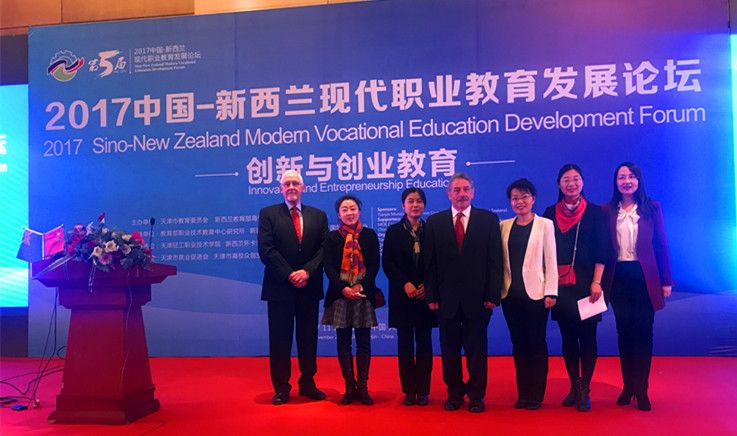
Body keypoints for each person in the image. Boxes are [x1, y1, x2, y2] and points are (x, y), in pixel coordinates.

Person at [424, 172, 503, 413]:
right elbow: (430, 264)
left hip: (478, 300)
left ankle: (477, 395)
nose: (462, 194)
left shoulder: (488, 220)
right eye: (456, 190)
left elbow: (495, 261)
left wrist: (492, 295)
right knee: (449, 351)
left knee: (476, 351)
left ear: (473, 192)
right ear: (448, 194)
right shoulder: (435, 222)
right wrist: (431, 296)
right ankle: (455, 393)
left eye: (466, 189)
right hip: (445, 300)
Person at [602, 162, 673, 411]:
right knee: (624, 333)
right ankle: (628, 386)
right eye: (622, 177)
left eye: (631, 176)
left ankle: (642, 390)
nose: (627, 181)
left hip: (645, 278)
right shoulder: (606, 210)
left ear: (639, 180)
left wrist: (666, 280)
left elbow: (661, 244)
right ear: (616, 182)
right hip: (618, 277)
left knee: (644, 334)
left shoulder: (652, 208)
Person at [258, 170, 329, 405]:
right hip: (280, 287)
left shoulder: (318, 216)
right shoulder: (268, 214)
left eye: (295, 183)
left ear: (303, 188)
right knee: (280, 339)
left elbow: (324, 249)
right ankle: (281, 387)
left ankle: (308, 383)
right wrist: (290, 274)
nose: (291, 187)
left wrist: (306, 271)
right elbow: (266, 249)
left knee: (308, 339)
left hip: (309, 286)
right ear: (281, 189)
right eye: (287, 184)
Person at [543, 164, 607, 412]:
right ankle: (574, 385)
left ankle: (585, 388)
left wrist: (596, 282)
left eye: (576, 179)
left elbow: (602, 249)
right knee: (568, 338)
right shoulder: (549, 213)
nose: (571, 184)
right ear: (559, 184)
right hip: (560, 286)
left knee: (588, 337)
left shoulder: (595, 212)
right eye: (566, 180)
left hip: (588, 285)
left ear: (582, 182)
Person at [500, 178, 558, 410]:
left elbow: (551, 259)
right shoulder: (504, 226)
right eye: (515, 198)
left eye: (524, 197)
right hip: (510, 294)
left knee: (536, 343)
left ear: (533, 198)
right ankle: (522, 393)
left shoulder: (545, 224)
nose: (520, 201)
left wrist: (551, 291)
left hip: (537, 295)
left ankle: (536, 394)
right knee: (518, 343)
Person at [321, 194, 380, 406]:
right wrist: (344, 288)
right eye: (344, 209)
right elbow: (328, 267)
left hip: (363, 295)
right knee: (343, 343)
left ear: (359, 211)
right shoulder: (331, 238)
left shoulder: (369, 235)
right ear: (338, 214)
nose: (349, 213)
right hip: (340, 296)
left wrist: (360, 286)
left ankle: (362, 387)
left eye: (353, 208)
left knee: (364, 343)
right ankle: (348, 387)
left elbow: (374, 265)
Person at [383, 187, 438, 407]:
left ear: (424, 205)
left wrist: (429, 285)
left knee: (425, 344)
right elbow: (388, 263)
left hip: (425, 296)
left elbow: (438, 261)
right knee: (404, 345)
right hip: (402, 296)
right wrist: (404, 283)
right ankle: (408, 390)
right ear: (403, 205)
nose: (415, 205)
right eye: (410, 201)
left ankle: (423, 390)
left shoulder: (432, 230)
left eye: (419, 201)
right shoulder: (393, 231)